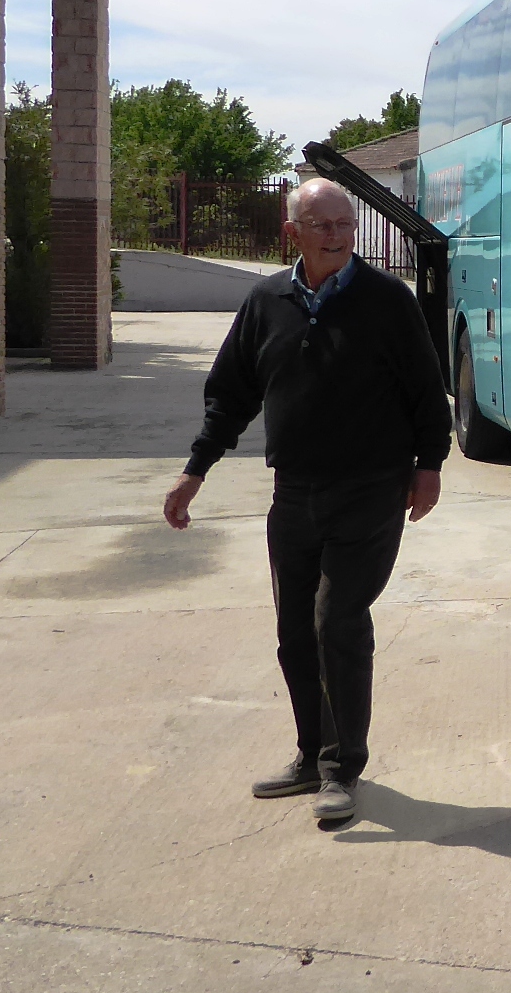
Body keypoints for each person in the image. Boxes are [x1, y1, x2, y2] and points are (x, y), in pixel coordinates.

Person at [162, 176, 449, 825]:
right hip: (293, 491)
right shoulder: (266, 301)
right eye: (323, 225)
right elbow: (230, 395)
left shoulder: (387, 299)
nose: (338, 236)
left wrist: (429, 466)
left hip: (371, 489)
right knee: (294, 631)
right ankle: (309, 754)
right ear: (292, 232)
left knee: (336, 620)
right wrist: (195, 470)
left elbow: (426, 390)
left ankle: (342, 767)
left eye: (346, 224)